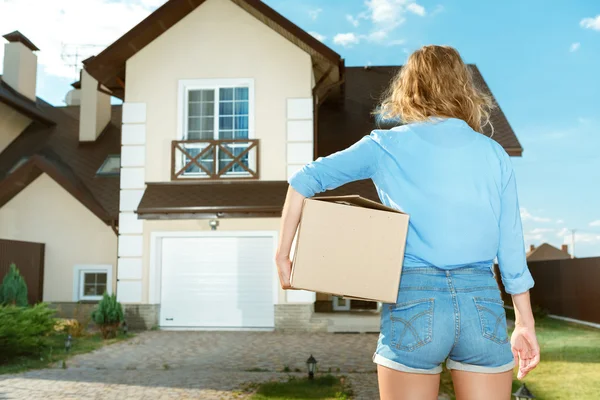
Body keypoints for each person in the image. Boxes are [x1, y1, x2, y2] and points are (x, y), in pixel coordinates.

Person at [275, 45, 540, 400]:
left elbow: (302, 181)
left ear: (409, 88)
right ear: (463, 87)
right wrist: (525, 323)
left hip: (413, 299)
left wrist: (283, 254)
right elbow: (511, 249)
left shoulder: (384, 145)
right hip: (483, 303)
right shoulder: (494, 154)